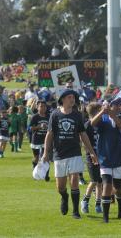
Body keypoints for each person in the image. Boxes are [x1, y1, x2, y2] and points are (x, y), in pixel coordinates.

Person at [41, 89, 97, 219]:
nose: (72, 100)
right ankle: (64, 197)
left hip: (74, 152)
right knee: (60, 186)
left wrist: (92, 152)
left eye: (73, 98)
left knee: (74, 181)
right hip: (59, 154)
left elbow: (83, 135)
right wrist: (45, 153)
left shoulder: (77, 115)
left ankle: (75, 211)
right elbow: (50, 135)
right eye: (70, 97)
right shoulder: (55, 114)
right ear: (63, 99)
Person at [90, 97, 121, 223]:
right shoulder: (103, 119)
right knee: (106, 184)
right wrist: (102, 112)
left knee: (118, 188)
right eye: (115, 105)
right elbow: (92, 123)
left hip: (119, 157)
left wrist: (112, 114)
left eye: (119, 105)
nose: (118, 107)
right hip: (105, 157)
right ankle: (105, 217)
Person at [81, 102, 103, 214]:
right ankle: (85, 200)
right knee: (94, 180)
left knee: (100, 181)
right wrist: (91, 154)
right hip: (92, 156)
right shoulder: (87, 125)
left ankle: (98, 203)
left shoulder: (100, 124)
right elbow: (84, 143)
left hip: (102, 156)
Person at [29, 100, 50, 180]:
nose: (43, 108)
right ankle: (35, 173)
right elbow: (30, 128)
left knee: (46, 157)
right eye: (41, 106)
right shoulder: (35, 117)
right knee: (36, 157)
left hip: (46, 140)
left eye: (44, 106)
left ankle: (46, 175)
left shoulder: (49, 116)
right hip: (36, 140)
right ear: (37, 107)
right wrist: (39, 126)